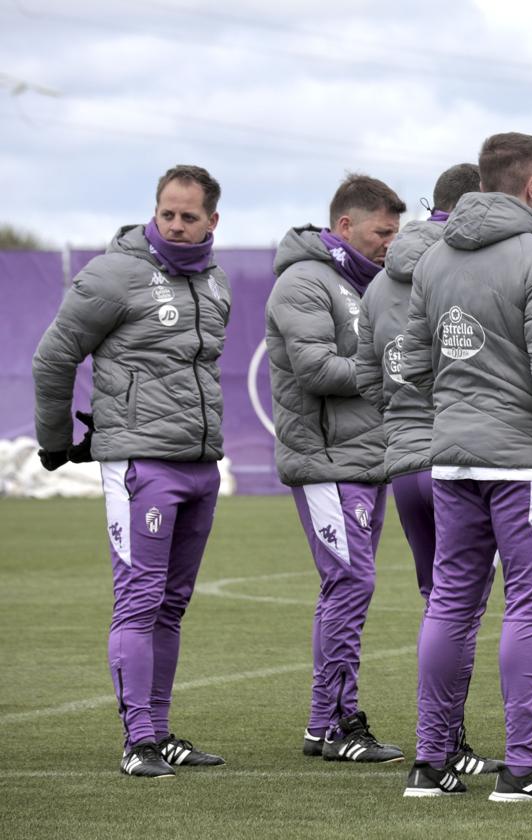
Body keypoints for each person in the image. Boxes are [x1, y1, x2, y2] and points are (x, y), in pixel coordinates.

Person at [400, 132, 532, 801]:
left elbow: (418, 364)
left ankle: (431, 762)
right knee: (529, 609)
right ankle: (521, 767)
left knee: (451, 605)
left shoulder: (432, 262)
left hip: (452, 459)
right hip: (525, 461)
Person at [32, 165, 231, 778]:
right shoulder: (114, 273)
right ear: (155, 210)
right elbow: (53, 356)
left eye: (188, 216)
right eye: (166, 212)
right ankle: (137, 739)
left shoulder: (216, 282)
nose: (175, 224)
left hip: (199, 466)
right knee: (140, 601)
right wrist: (58, 442)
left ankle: (161, 732)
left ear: (211, 222)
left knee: (172, 605)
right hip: (140, 465)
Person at [355, 162, 501, 776]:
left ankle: (442, 744)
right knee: (466, 608)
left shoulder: (379, 281)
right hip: (459, 457)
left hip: (405, 459)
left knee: (438, 605)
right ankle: (445, 745)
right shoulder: (474, 266)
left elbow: (367, 377)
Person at [265, 173, 406, 764]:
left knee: (346, 587)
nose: (390, 244)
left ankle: (325, 723)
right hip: (326, 461)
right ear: (345, 226)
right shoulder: (303, 281)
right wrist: (392, 373)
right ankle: (341, 722)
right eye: (382, 232)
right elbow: (316, 370)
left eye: (396, 234)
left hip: (366, 460)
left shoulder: (364, 283)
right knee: (351, 583)